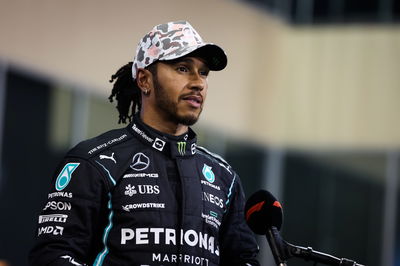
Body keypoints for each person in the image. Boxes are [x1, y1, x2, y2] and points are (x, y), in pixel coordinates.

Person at [29, 20, 259, 266]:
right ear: (144, 80)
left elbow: (243, 260)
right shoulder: (93, 161)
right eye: (183, 68)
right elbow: (52, 256)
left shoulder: (224, 177)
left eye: (203, 72)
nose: (198, 82)